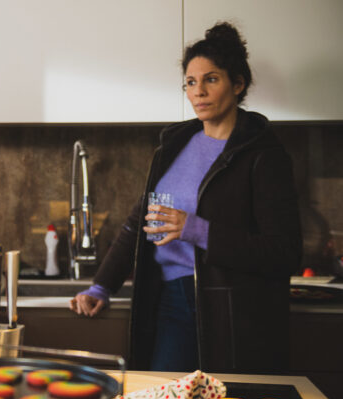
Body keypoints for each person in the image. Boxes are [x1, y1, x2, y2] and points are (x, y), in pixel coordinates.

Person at [70, 22, 301, 374]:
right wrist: (102, 285)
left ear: (237, 84)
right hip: (169, 301)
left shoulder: (263, 155)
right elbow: (140, 222)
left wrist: (196, 229)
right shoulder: (174, 145)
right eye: (191, 83)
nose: (199, 92)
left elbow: (284, 252)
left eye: (211, 79)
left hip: (232, 311)